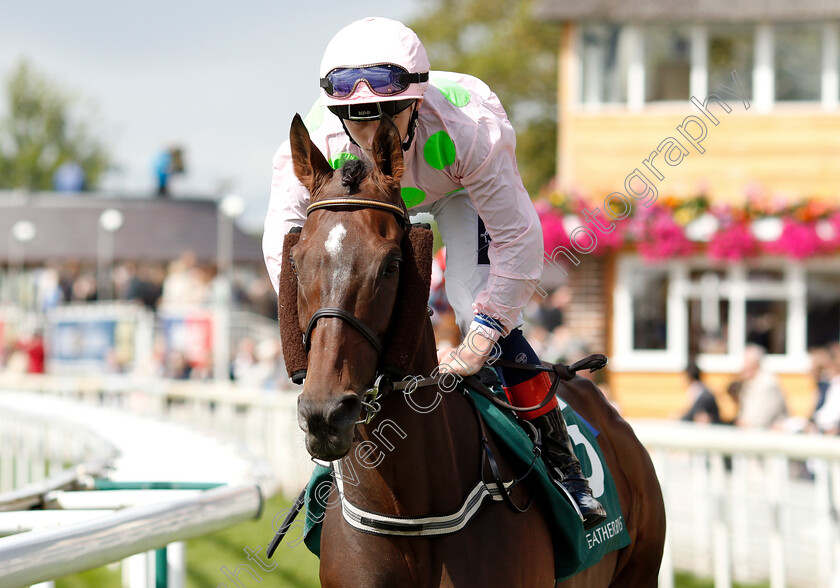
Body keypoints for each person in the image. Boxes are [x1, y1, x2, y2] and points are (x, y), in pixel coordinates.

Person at [262, 17, 606, 528]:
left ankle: (564, 463)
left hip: (460, 192)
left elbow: (519, 238)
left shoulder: (470, 132)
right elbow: (286, 248)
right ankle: (335, 465)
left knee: (472, 302)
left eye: (383, 114)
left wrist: (483, 335)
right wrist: (312, 339)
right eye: (353, 116)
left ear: (416, 103)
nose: (368, 130)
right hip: (368, 207)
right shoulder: (316, 139)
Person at [735, 344, 787, 429]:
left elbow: (758, 422)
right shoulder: (749, 383)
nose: (741, 368)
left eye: (745, 363)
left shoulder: (767, 384)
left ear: (755, 364)